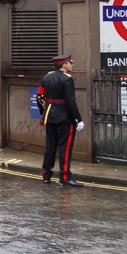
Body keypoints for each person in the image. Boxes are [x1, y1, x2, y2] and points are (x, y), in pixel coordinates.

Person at [38, 54, 84, 187]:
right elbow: (70, 101)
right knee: (65, 147)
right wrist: (78, 119)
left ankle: (46, 175)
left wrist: (44, 112)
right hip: (64, 117)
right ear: (64, 65)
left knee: (50, 147)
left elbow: (40, 96)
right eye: (70, 63)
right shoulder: (67, 79)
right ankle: (65, 177)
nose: (72, 65)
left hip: (49, 116)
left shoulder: (46, 77)